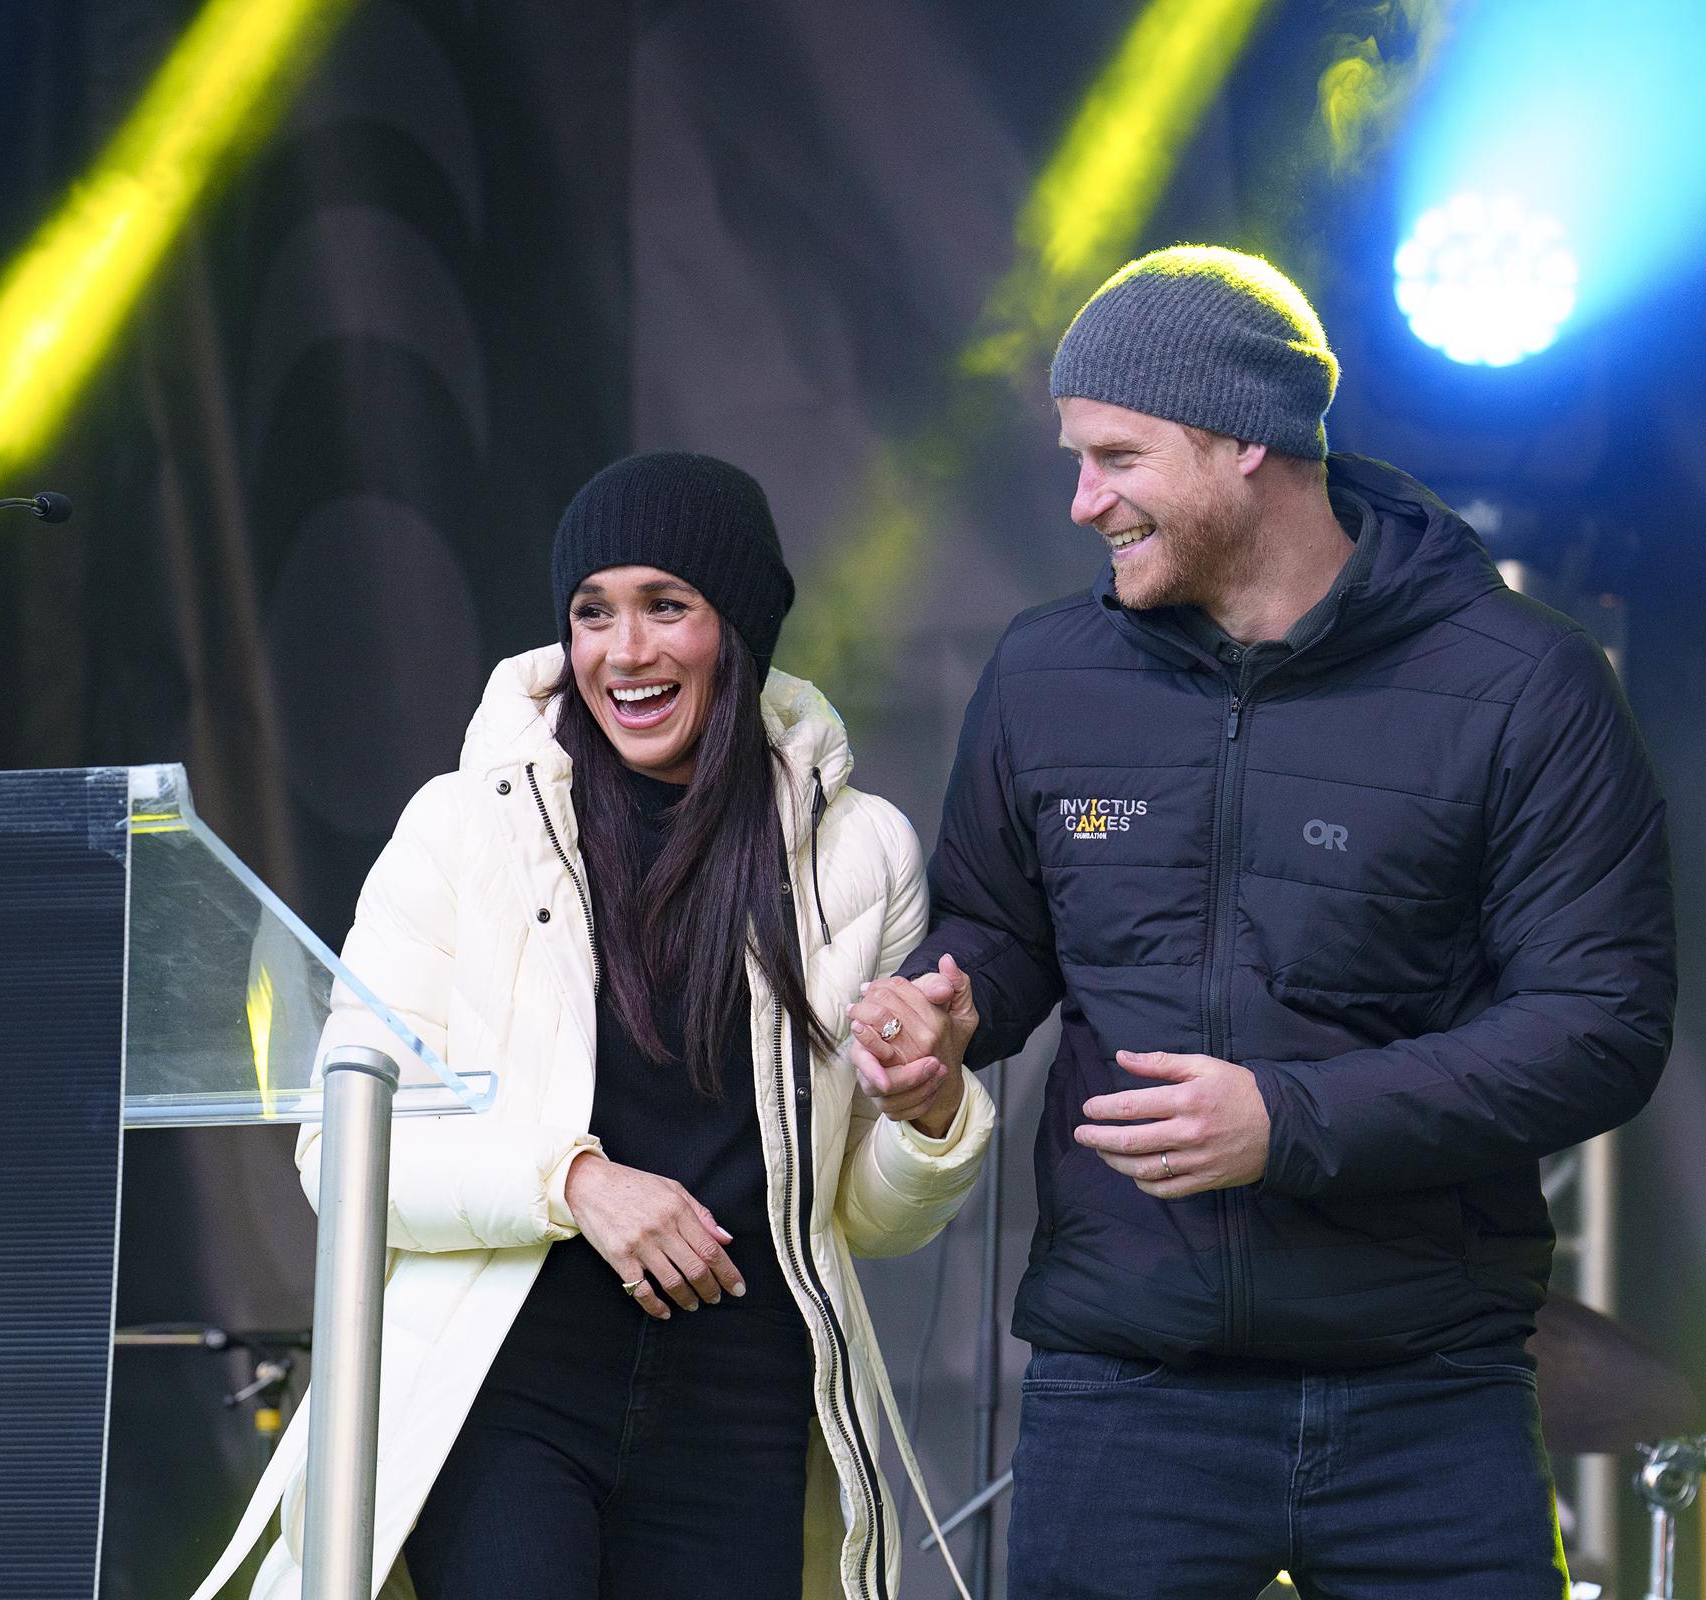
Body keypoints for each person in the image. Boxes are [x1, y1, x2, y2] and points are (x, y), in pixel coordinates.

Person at [844, 245, 1676, 1598]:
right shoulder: (1045, 674)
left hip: (1429, 1399)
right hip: (1127, 1394)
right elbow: (998, 928)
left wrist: (1289, 1122)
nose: (1079, 500)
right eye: (1074, 457)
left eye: (1116, 458)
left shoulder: (1526, 688)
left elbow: (1601, 1030)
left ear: (1244, 441)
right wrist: (952, 1012)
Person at [190, 450, 995, 1600]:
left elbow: (854, 1215)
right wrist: (573, 1181)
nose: (626, 652)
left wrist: (927, 1112)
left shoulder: (860, 850)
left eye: (667, 605)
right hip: (510, 1381)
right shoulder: (461, 827)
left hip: (741, 1396)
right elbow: (345, 1150)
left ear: (742, 624)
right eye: (593, 612)